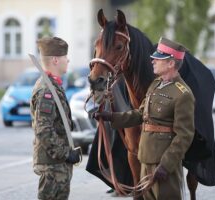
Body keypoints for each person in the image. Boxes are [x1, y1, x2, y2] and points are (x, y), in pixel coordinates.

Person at [95, 37, 195, 200]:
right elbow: (140, 114)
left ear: (171, 64)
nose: (153, 60)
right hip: (145, 159)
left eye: (159, 58)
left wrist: (166, 165)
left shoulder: (182, 94)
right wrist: (110, 117)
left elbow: (184, 136)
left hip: (163, 165)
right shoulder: (155, 85)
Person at [30, 36, 80, 200]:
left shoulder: (53, 85)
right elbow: (43, 130)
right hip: (53, 165)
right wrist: (66, 154)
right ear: (56, 60)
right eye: (65, 57)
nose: (68, 60)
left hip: (57, 164)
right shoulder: (47, 90)